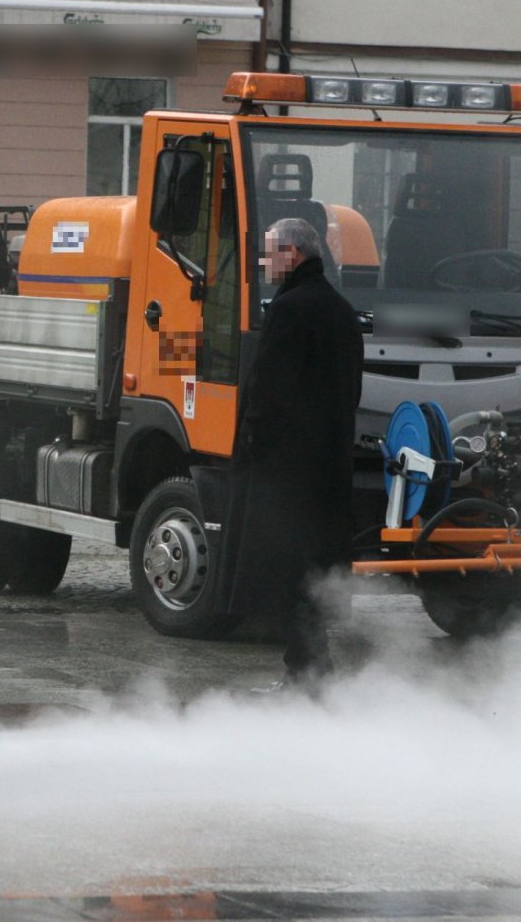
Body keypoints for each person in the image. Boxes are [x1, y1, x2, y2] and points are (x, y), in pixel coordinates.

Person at [214, 218, 363, 690]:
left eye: (269, 253)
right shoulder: (342, 310)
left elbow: (268, 390)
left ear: (292, 254)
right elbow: (352, 392)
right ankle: (311, 670)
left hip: (284, 469)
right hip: (329, 463)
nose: (264, 263)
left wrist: (251, 445)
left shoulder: (289, 308)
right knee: (313, 572)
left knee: (285, 571)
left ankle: (306, 674)